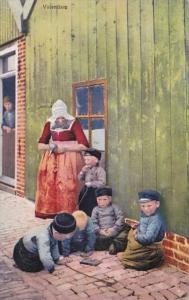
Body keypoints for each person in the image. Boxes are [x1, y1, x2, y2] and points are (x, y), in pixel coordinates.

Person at [35, 99, 89, 218]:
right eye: (57, 116)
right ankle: (54, 212)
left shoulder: (73, 122)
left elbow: (84, 145)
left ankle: (68, 214)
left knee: (67, 185)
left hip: (69, 158)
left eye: (62, 116)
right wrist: (51, 146)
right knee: (51, 185)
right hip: (52, 158)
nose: (59, 119)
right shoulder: (49, 123)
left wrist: (65, 148)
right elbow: (40, 145)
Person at [121, 189, 166, 270]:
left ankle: (149, 260)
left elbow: (148, 238)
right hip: (143, 242)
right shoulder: (145, 215)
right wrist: (138, 226)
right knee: (130, 233)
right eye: (143, 206)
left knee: (125, 259)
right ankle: (131, 254)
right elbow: (145, 225)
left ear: (157, 204)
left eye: (149, 205)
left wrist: (136, 236)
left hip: (151, 248)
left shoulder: (156, 219)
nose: (146, 209)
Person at [91, 186, 130, 254]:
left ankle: (114, 244)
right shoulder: (95, 210)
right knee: (93, 239)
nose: (102, 202)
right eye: (99, 199)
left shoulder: (114, 207)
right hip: (102, 233)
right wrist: (100, 231)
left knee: (126, 229)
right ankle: (112, 245)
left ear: (110, 199)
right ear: (96, 199)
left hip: (114, 231)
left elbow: (120, 217)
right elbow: (93, 222)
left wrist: (113, 229)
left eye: (105, 199)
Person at [78, 148, 106, 216]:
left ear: (96, 160)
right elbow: (80, 178)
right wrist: (82, 172)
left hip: (95, 193)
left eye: (88, 160)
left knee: (92, 207)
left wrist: (91, 184)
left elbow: (102, 183)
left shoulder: (100, 170)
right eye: (85, 160)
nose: (86, 162)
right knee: (83, 205)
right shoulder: (87, 169)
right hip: (85, 191)